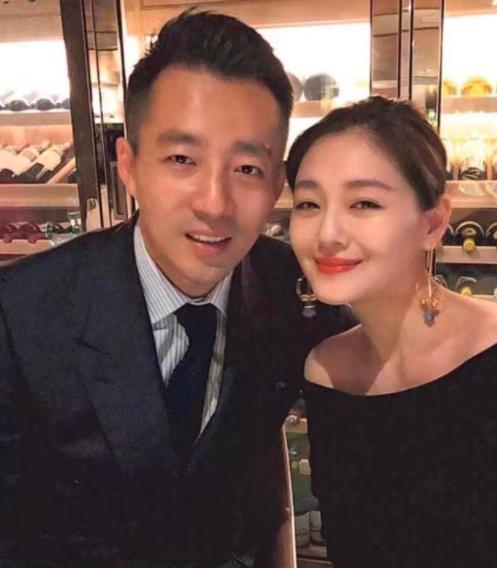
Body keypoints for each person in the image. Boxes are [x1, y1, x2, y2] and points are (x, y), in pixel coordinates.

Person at [0, 10, 348, 568]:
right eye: (182, 159)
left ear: (277, 185)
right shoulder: (22, 314)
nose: (215, 203)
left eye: (247, 169)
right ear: (129, 166)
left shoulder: (295, 291)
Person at [287, 95, 497, 568]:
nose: (328, 233)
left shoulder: (488, 353)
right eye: (308, 203)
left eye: (364, 203)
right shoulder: (327, 370)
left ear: (435, 223)